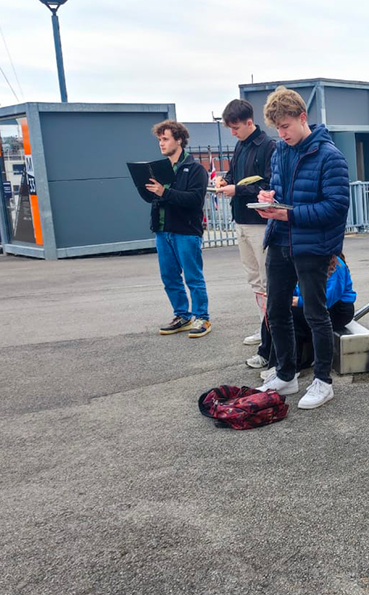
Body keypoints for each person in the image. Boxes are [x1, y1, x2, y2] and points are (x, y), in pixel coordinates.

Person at [255, 86, 350, 410]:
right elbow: (282, 189)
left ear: (302, 117)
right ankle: (286, 374)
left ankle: (323, 382)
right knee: (277, 310)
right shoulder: (280, 151)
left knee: (314, 313)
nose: (282, 134)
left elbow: (337, 207)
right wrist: (270, 198)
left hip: (313, 245)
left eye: (286, 126)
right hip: (280, 238)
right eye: (277, 129)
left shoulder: (330, 156)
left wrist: (289, 213)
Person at [214, 99, 277, 350]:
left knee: (266, 278)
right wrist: (224, 180)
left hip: (258, 221)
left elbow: (270, 184)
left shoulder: (269, 146)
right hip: (241, 219)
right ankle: (265, 326)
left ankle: (271, 328)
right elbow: (234, 176)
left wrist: (237, 190)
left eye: (236, 127)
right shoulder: (240, 145)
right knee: (254, 278)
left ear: (249, 122)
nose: (233, 132)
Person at [142, 120, 212, 338]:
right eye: (159, 140)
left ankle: (202, 318)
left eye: (165, 139)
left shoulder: (195, 168)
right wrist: (144, 187)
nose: (161, 144)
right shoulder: (160, 169)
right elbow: (152, 198)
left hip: (186, 231)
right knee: (169, 277)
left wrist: (165, 192)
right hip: (163, 230)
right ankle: (182, 315)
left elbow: (194, 199)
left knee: (193, 277)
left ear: (179, 139)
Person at [257, 254, 356, 376]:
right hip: (312, 303)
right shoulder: (301, 260)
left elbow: (327, 299)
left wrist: (298, 301)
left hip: (338, 309)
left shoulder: (335, 264)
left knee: (294, 315)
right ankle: (265, 354)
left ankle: (291, 367)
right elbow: (293, 286)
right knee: (276, 309)